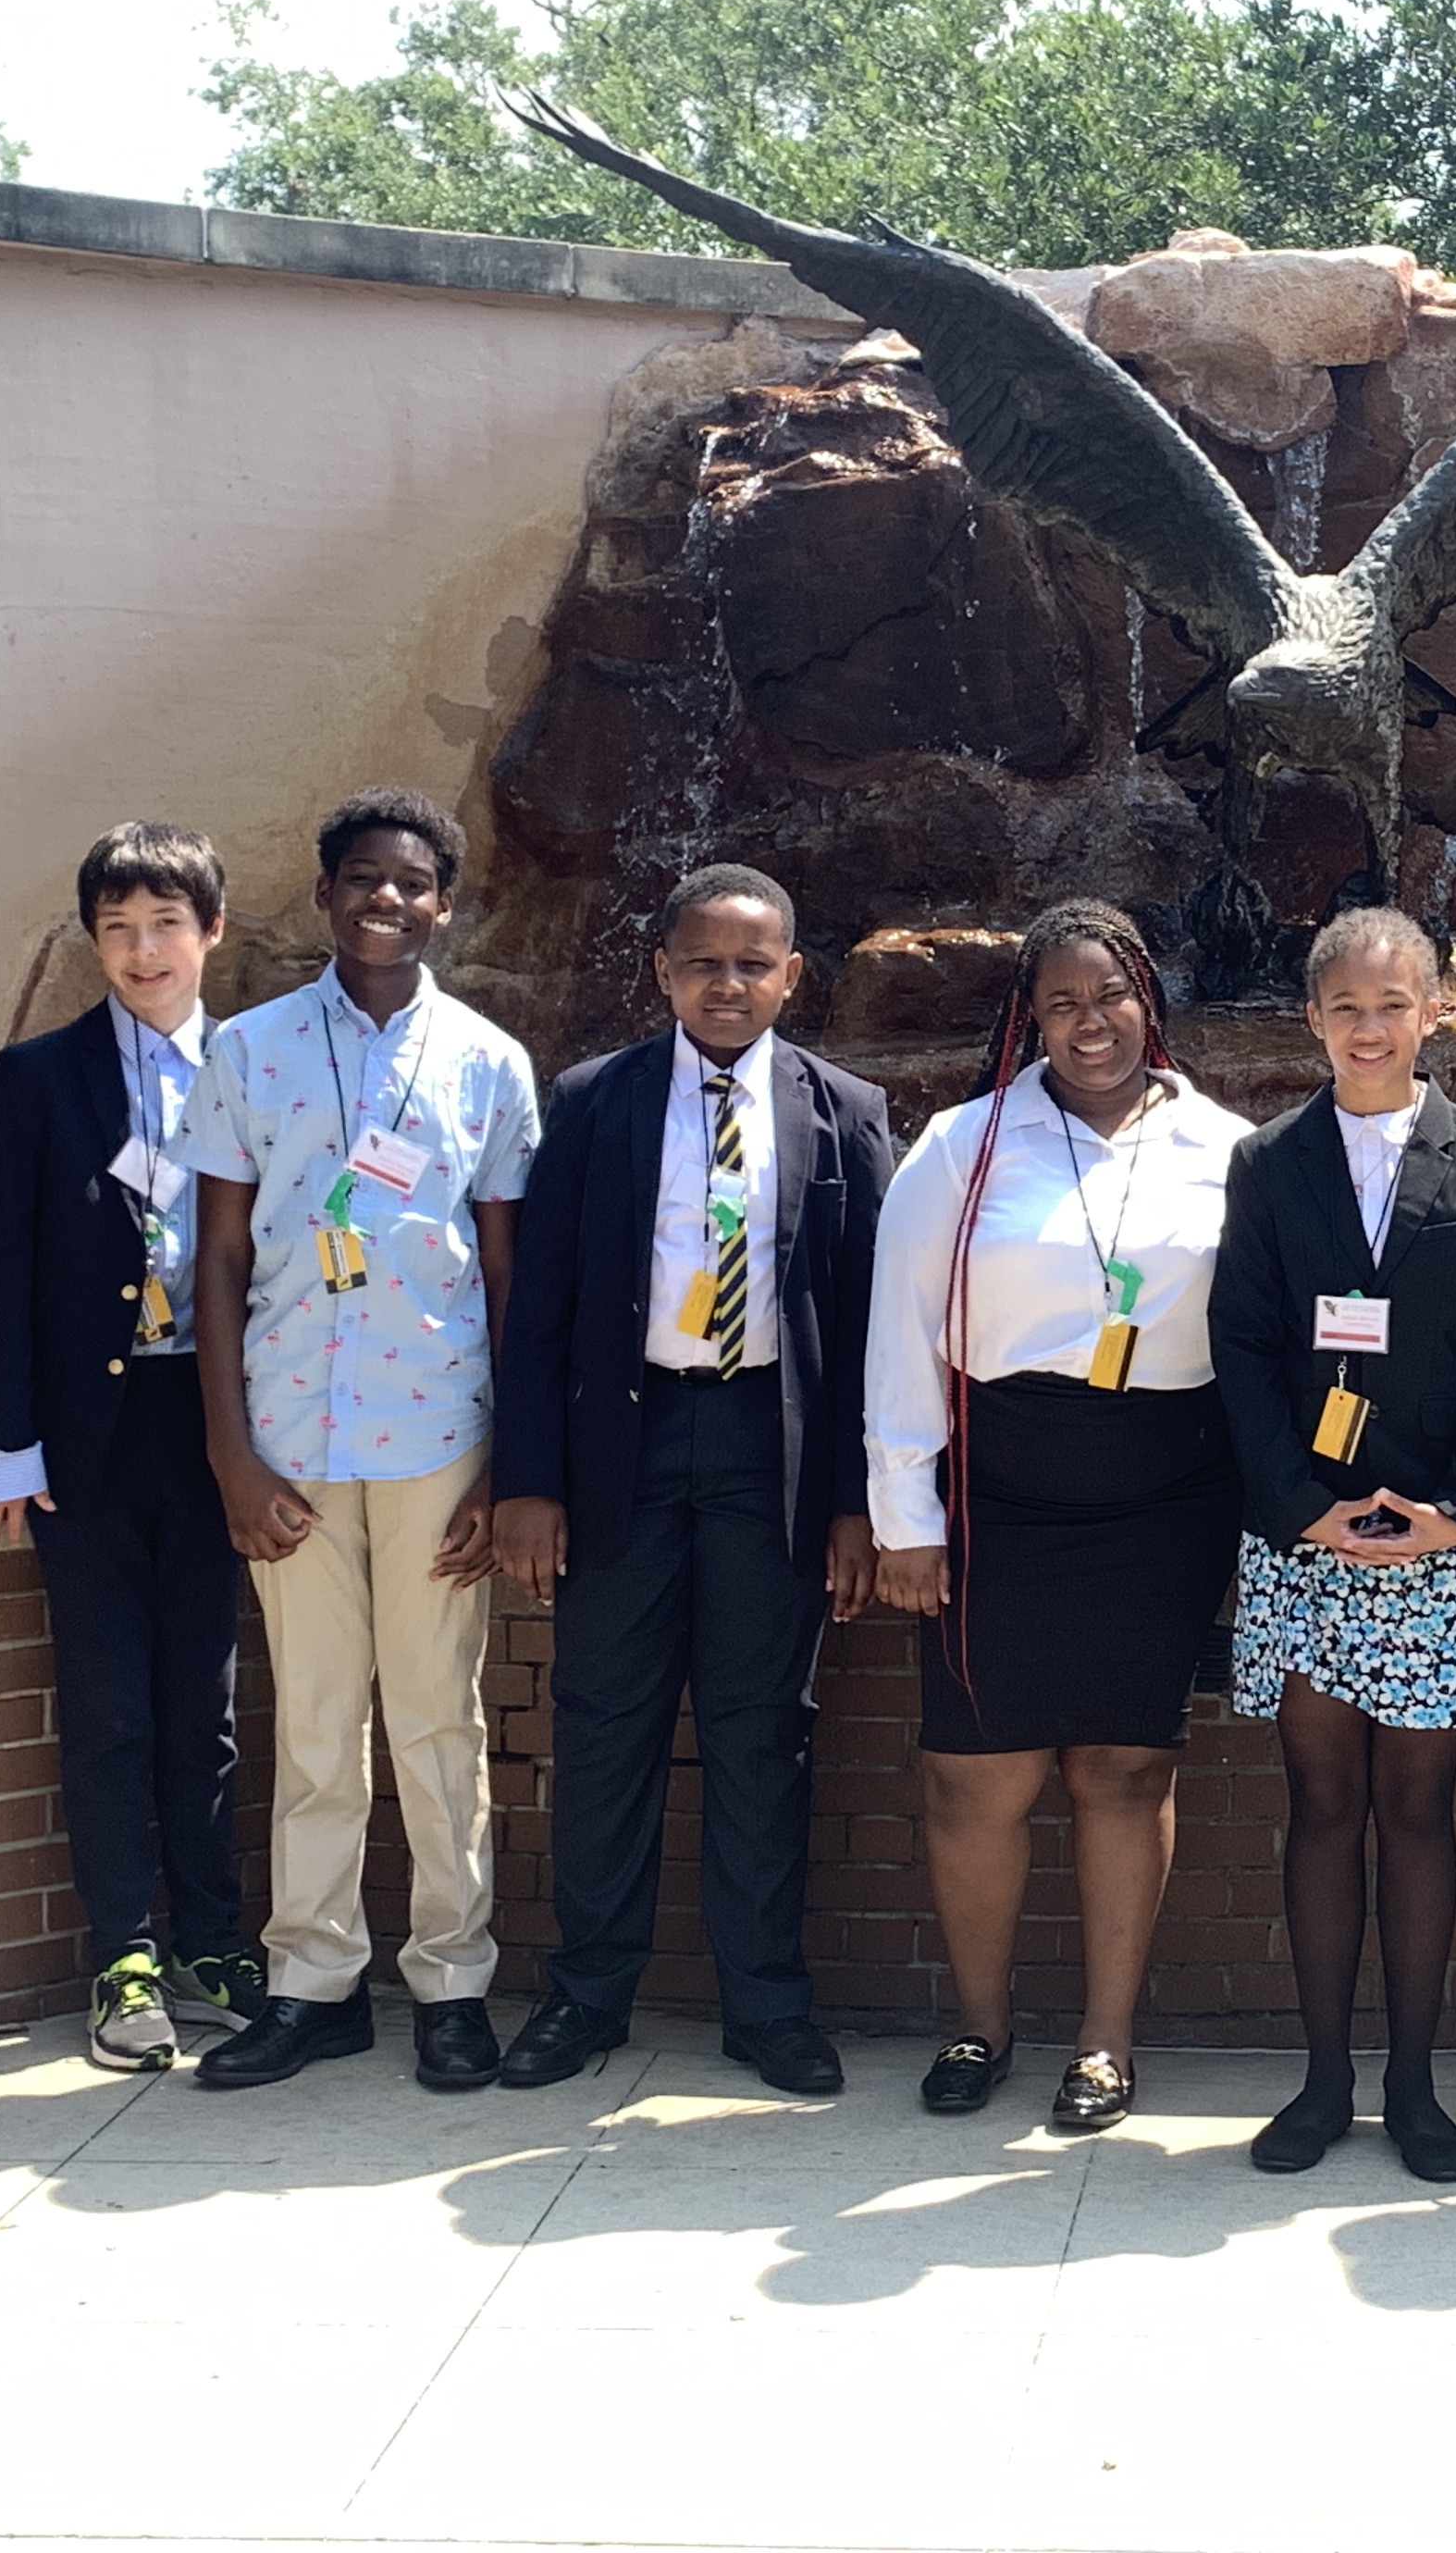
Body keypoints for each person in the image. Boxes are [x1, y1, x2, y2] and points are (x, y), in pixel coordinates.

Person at [487, 864, 894, 2100]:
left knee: (761, 1736)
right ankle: (587, 1995)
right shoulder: (594, 1101)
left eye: (752, 965)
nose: (729, 985)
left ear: (791, 977)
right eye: (704, 964)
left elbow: (873, 1322)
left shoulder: (845, 1111)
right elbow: (541, 1305)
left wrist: (855, 1503)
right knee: (604, 1727)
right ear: (662, 973)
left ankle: (765, 2005)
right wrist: (529, 1480)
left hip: (769, 1457)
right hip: (629, 1448)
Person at [176, 787, 542, 2093]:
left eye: (411, 883)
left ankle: (451, 1981)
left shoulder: (489, 1064)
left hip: (440, 1429)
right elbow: (216, 1259)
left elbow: (507, 1272)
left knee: (439, 1721)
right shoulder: (251, 1053)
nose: (385, 901)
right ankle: (313, 1981)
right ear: (326, 895)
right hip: (289, 1435)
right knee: (316, 1724)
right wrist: (230, 1448)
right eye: (361, 881)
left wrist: (508, 1463)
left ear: (446, 903)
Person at [864, 899, 1250, 2131]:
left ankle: (1104, 2044)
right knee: (975, 1780)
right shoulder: (963, 1147)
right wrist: (903, 1518)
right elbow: (900, 1337)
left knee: (1126, 1774)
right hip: (999, 1496)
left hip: (1164, 1496)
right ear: (1030, 1015)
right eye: (1064, 1003)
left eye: (1113, 994)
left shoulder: (1229, 1149)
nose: (1092, 1024)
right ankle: (981, 2028)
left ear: (1152, 999)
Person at [1208, 906, 1456, 2184]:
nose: (1369, 1027)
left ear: (1434, 1012)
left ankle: (1411, 2083)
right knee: (1321, 1802)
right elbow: (1241, 1346)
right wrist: (1303, 1506)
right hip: (1309, 1546)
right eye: (1346, 1006)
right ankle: (1324, 2079)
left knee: (1419, 1808)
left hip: (1443, 1547)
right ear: (1312, 1019)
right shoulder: (1271, 1162)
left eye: (1393, 1004)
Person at [0, 822, 257, 2072]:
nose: (145, 953)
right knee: (109, 1702)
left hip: (220, 1423)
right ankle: (123, 1948)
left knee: (210, 1698)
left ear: (211, 935)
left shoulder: (257, 1069)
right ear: (94, 942)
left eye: (168, 927)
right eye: (121, 930)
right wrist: (3, 1446)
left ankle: (214, 1937)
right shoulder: (39, 1077)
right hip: (89, 1434)